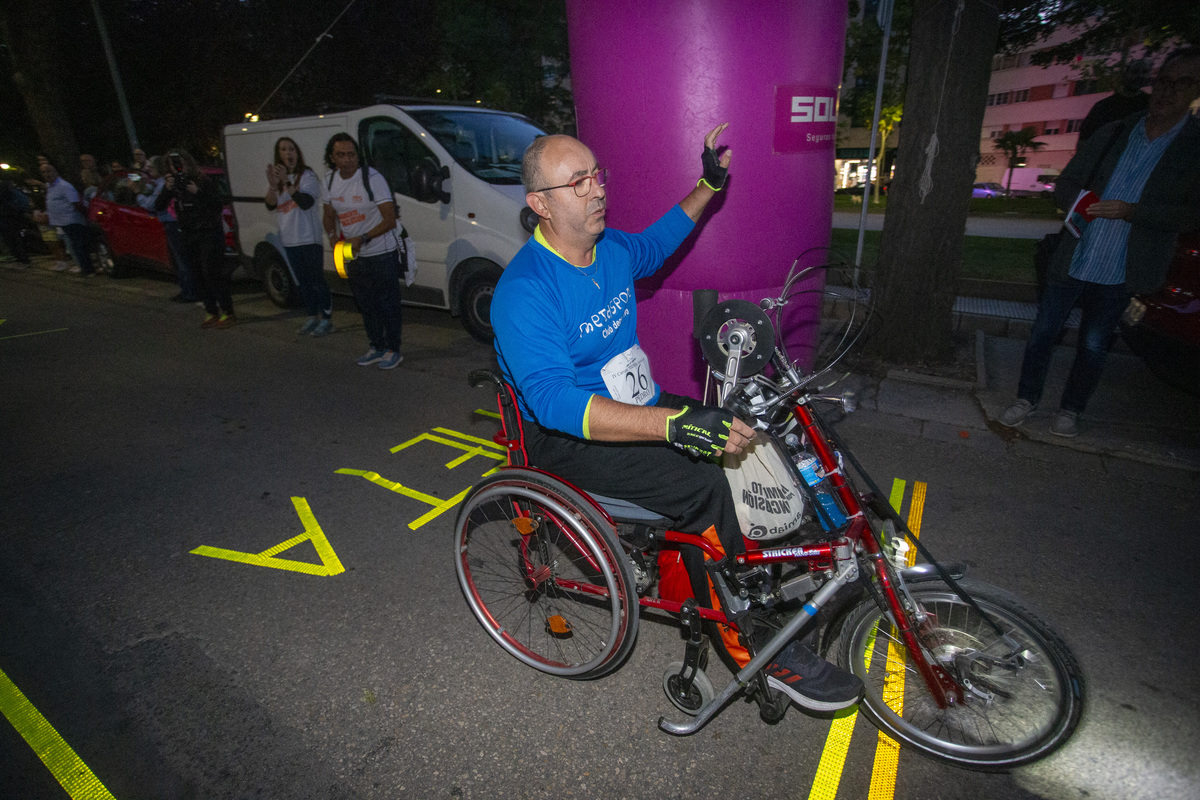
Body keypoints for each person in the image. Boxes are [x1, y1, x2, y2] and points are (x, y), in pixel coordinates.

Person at [489, 124, 864, 713]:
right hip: (565, 436)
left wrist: (708, 184)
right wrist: (669, 426)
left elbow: (660, 242)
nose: (596, 190)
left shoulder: (608, 250)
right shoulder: (524, 291)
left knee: (746, 429)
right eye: (577, 181)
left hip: (634, 403)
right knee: (705, 480)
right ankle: (758, 643)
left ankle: (741, 561)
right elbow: (555, 404)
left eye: (597, 174)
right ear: (540, 204)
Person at [1001, 48, 1200, 437]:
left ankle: (1071, 409)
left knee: (1094, 344)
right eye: (1163, 81)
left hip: (1124, 266)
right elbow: (1066, 185)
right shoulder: (1115, 132)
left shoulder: (1193, 148)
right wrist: (1080, 203)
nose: (1168, 92)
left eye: (1183, 83)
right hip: (1076, 255)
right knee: (1043, 332)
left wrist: (1134, 211)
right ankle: (1026, 398)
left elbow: (1191, 214)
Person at [321, 133, 403, 368]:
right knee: (365, 302)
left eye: (351, 154)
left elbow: (390, 220)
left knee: (388, 302)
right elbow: (328, 215)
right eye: (341, 155)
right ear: (332, 158)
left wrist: (363, 237)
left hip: (381, 251)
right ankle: (376, 346)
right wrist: (333, 237)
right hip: (353, 253)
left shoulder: (371, 178)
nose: (347, 160)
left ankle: (393, 349)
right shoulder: (329, 180)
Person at [158, 149, 235, 327]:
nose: (178, 167)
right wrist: (168, 189)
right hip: (188, 233)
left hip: (209, 232)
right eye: (172, 164)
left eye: (180, 163)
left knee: (212, 273)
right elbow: (159, 205)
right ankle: (211, 311)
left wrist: (197, 192)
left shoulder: (201, 181)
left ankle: (228, 311)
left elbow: (217, 203)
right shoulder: (173, 185)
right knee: (196, 273)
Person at [267, 137, 333, 336]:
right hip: (290, 239)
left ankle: (327, 319)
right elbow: (270, 204)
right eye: (284, 150)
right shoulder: (280, 182)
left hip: (308, 238)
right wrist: (273, 185)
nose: (288, 153)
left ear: (298, 153)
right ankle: (312, 316)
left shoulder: (308, 176)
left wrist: (287, 181)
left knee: (316, 279)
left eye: (292, 149)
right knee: (303, 281)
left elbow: (305, 202)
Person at [139, 156, 197, 302]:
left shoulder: (165, 184)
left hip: (174, 223)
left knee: (182, 258)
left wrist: (138, 194)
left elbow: (153, 205)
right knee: (180, 258)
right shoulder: (162, 184)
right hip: (173, 223)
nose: (148, 170)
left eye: (150, 168)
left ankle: (190, 291)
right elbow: (159, 202)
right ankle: (187, 289)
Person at [36, 161, 94, 275]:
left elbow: (76, 203)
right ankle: (83, 267)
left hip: (71, 220)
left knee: (78, 245)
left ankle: (87, 269)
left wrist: (85, 216)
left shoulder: (64, 186)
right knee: (73, 245)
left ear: (55, 172)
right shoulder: (50, 186)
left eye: (49, 171)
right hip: (62, 221)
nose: (47, 174)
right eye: (43, 172)